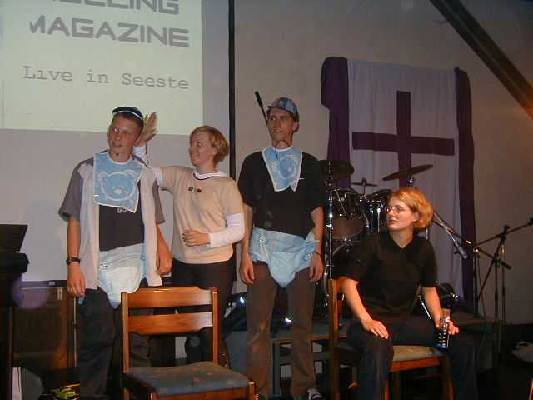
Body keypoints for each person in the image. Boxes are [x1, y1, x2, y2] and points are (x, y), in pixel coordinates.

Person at [59, 106, 172, 400]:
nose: (117, 136)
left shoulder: (144, 174)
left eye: (125, 132)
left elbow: (153, 220)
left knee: (136, 345)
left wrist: (162, 249)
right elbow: (74, 220)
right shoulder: (86, 170)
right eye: (114, 129)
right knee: (97, 343)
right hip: (96, 271)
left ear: (136, 139)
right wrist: (73, 264)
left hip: (138, 269)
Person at [339, 187, 478, 400]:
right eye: (389, 209)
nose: (391, 213)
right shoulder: (373, 243)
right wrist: (366, 319)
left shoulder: (423, 249)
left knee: (462, 343)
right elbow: (349, 284)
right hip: (368, 323)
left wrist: (440, 320)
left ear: (416, 216)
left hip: (402, 322)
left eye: (399, 209)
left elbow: (429, 290)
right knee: (379, 349)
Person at [134, 123, 244, 363]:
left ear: (214, 149)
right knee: (191, 329)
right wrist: (140, 145)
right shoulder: (180, 176)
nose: (192, 148)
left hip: (214, 266)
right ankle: (194, 376)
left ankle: (217, 376)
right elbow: (145, 174)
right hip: (183, 265)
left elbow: (239, 230)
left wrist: (208, 238)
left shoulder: (226, 186)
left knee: (208, 331)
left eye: (199, 144)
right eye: (191, 143)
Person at [238, 97, 325, 400]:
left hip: (301, 250)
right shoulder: (253, 162)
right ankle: (258, 391)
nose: (276, 123)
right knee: (258, 326)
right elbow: (246, 209)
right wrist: (244, 254)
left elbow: (317, 211)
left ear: (295, 125)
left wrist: (317, 252)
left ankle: (304, 387)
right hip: (263, 248)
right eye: (272, 118)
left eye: (283, 118)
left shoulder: (310, 163)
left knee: (302, 325)